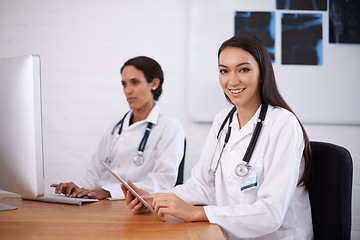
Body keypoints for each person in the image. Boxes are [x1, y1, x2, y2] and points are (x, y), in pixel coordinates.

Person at [122, 34, 314, 239]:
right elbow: (202, 185)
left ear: (261, 73)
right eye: (224, 71)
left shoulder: (283, 123)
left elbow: (270, 214)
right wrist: (154, 200)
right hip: (225, 234)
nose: (232, 80)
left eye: (244, 69)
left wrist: (197, 212)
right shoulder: (223, 120)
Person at [51, 56, 185, 200]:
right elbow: (94, 174)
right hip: (105, 205)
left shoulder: (169, 126)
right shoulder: (115, 128)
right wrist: (78, 190)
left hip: (140, 208)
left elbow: (162, 182)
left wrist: (108, 191)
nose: (128, 90)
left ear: (154, 83)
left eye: (134, 82)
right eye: (124, 84)